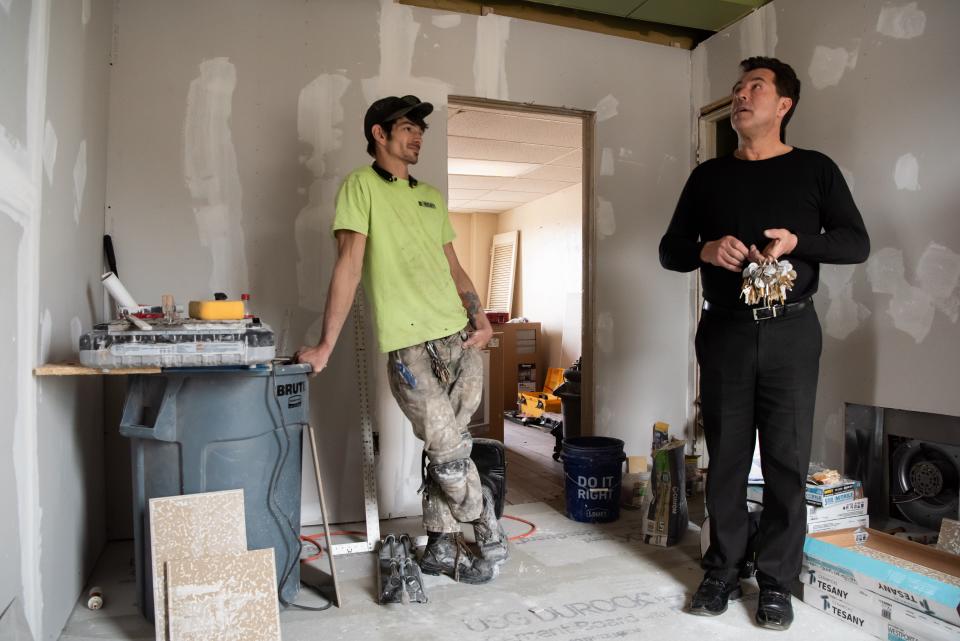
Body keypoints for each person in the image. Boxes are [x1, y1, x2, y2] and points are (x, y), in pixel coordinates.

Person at [659, 57, 869, 630]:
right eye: (736, 87)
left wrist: (801, 241)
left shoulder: (815, 170)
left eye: (755, 87)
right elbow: (670, 249)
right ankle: (723, 567)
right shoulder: (708, 178)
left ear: (784, 106)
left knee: (784, 458)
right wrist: (704, 251)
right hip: (725, 330)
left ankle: (776, 579)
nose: (740, 95)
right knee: (725, 456)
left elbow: (856, 243)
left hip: (791, 331)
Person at [295, 95, 508, 584]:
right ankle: (489, 533)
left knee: (450, 448)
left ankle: (437, 547)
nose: (417, 137)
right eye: (408, 128)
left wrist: (481, 318)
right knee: (448, 449)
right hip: (411, 348)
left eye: (421, 131)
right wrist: (325, 344)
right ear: (379, 133)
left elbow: (453, 268)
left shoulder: (431, 195)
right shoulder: (360, 187)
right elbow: (348, 266)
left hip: (461, 340)